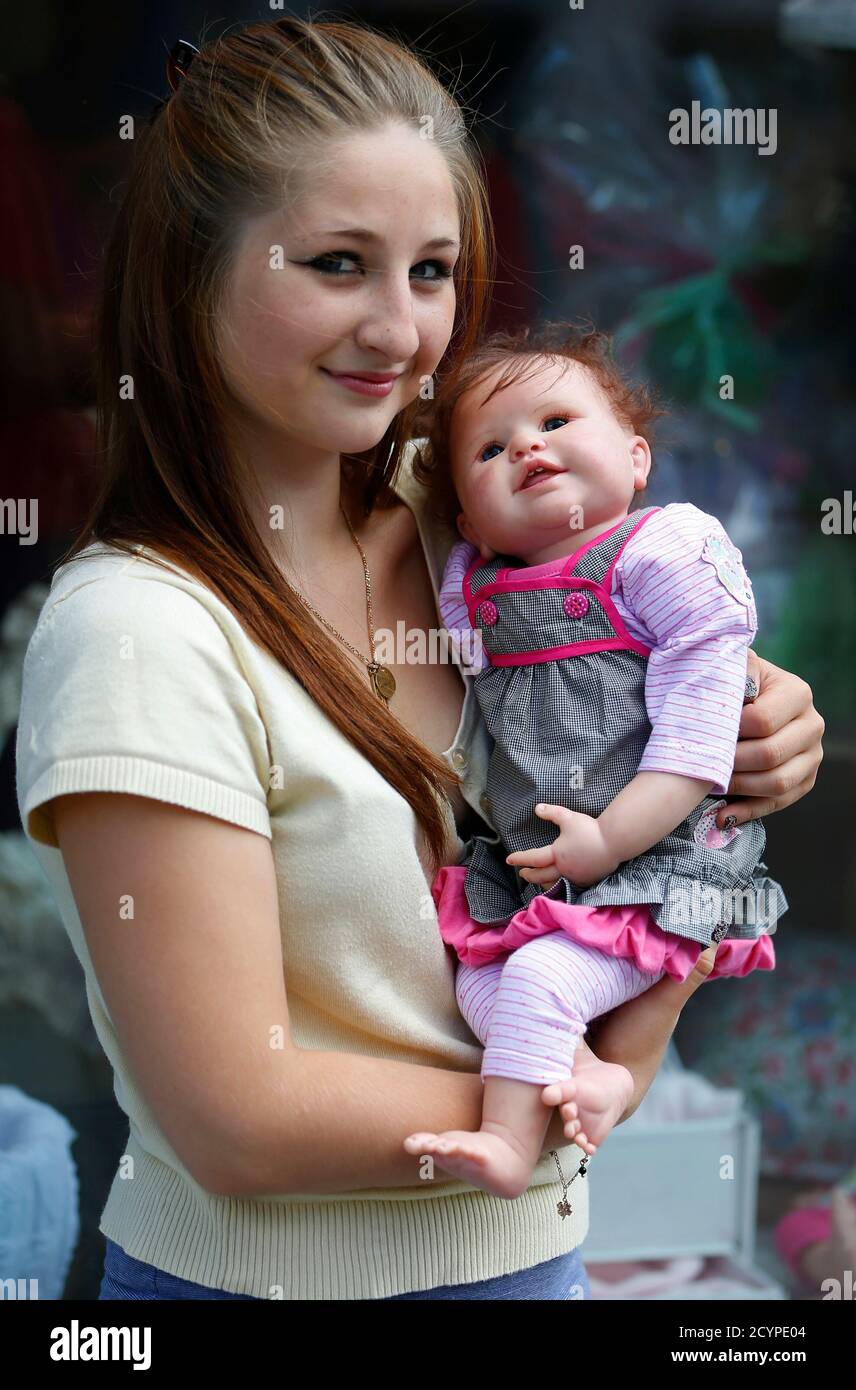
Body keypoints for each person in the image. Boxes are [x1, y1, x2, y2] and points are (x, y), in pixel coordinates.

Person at [15, 16, 824, 1301]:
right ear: (188, 272)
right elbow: (240, 1116)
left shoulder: (473, 512)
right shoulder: (140, 632)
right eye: (338, 264)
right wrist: (562, 1087)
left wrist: (759, 725)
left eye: (433, 270)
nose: (400, 331)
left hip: (536, 1255)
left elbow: (676, 715)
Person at [401, 324, 784, 1201]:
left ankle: (505, 1144)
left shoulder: (662, 556)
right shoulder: (475, 588)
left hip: (654, 866)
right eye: (491, 449)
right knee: (482, 984)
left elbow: (696, 741)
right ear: (466, 519)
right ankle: (591, 1072)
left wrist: (610, 842)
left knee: (537, 975)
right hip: (549, 874)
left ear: (637, 458)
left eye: (558, 420)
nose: (528, 446)